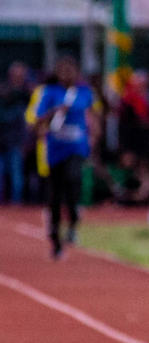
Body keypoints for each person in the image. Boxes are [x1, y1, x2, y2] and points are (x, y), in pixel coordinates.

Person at [25, 56, 98, 260]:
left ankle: (73, 222)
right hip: (55, 149)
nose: (67, 74)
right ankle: (55, 239)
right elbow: (36, 121)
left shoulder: (84, 92)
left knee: (74, 180)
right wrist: (53, 113)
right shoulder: (49, 93)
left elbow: (92, 117)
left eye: (71, 70)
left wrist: (93, 138)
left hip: (76, 147)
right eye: (63, 70)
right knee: (55, 196)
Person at [1, 62, 32, 203]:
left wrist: (24, 143)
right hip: (1, 143)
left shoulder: (26, 94)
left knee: (16, 177)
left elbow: (25, 124)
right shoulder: (5, 90)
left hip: (15, 143)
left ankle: (16, 206)